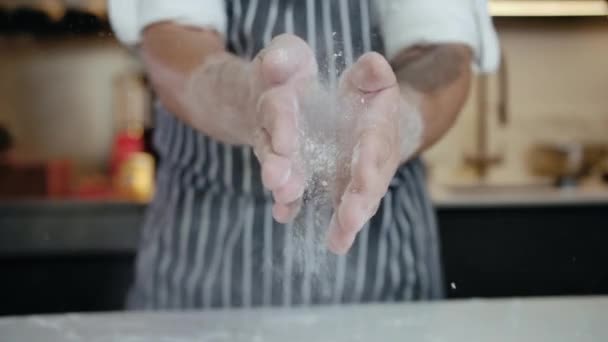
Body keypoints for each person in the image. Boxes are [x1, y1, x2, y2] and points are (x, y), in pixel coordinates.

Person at [108, 0, 499, 309]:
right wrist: (251, 96)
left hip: (384, 274)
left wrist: (396, 124)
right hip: (202, 267)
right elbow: (173, 34)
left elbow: (442, 51)